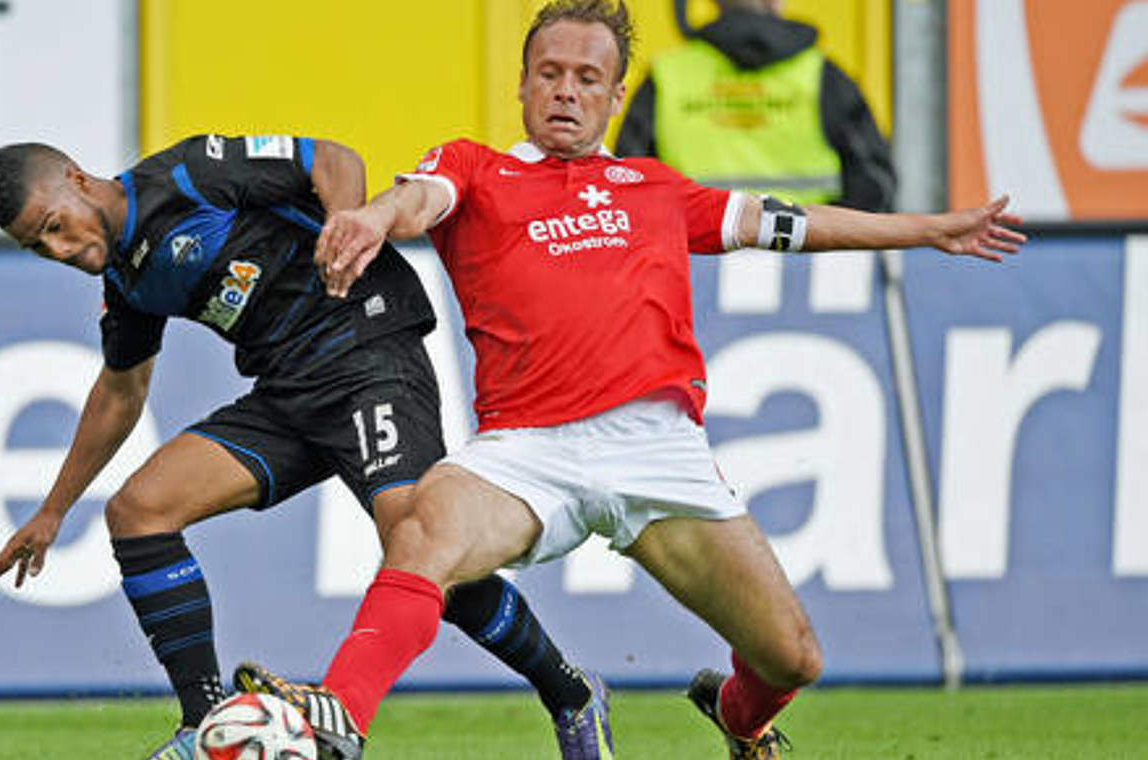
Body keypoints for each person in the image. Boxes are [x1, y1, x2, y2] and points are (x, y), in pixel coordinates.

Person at [229, 2, 1025, 760]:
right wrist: (371, 217)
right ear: (522, 84)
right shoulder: (478, 168)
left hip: (657, 451)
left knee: (792, 657)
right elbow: (419, 198)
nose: (565, 91)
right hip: (526, 453)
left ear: (615, 96)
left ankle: (738, 716)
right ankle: (338, 715)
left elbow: (794, 222)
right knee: (423, 531)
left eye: (585, 78)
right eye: (548, 74)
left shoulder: (657, 189)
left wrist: (930, 230)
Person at [0, 134, 610, 760]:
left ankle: (572, 694)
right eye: (38, 246)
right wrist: (53, 511)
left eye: (55, 224)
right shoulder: (128, 285)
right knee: (139, 510)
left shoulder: (189, 175)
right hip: (288, 393)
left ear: (78, 179)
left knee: (420, 545)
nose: (60, 249)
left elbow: (332, 158)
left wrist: (343, 229)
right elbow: (121, 391)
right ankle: (204, 723)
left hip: (367, 351)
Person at [616, 0, 895, 211]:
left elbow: (628, 186)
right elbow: (876, 186)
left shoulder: (669, 75)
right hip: (808, 264)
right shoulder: (821, 74)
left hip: (697, 265)